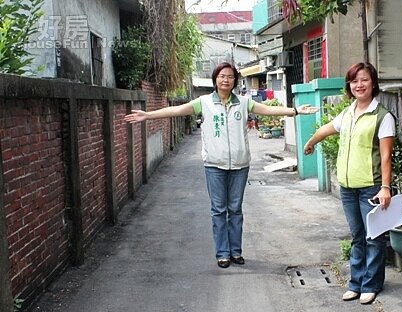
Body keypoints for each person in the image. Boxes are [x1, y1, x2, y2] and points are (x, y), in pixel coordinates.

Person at [125, 62, 317, 269]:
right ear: (215, 79)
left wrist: (295, 111)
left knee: (235, 209)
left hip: (240, 166)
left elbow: (268, 110)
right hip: (214, 166)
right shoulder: (204, 102)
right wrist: (148, 115)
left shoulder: (243, 103)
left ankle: (236, 251)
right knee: (218, 210)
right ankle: (223, 253)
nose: (226, 80)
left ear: (235, 81)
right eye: (222, 76)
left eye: (230, 77)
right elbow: (177, 110)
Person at [303, 62, 395, 305]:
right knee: (357, 236)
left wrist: (385, 187)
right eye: (354, 81)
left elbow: (386, 155)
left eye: (364, 80)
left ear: (373, 83)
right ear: (349, 86)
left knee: (373, 237)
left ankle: (371, 285)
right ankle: (356, 283)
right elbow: (327, 129)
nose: (359, 85)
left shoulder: (382, 117)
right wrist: (311, 142)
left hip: (371, 187)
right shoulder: (348, 113)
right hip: (347, 187)